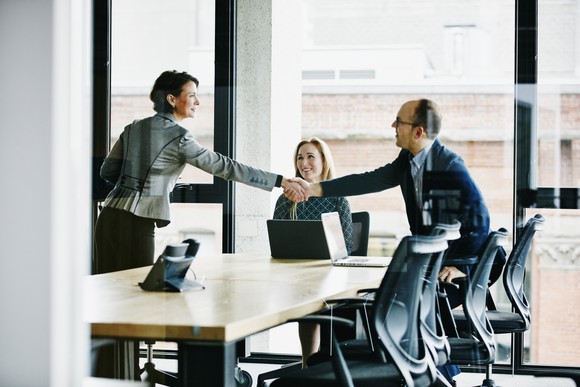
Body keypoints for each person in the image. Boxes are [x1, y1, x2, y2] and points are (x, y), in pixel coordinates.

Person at [286, 99, 501, 383]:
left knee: (394, 306)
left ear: (418, 132)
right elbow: (368, 181)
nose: (393, 126)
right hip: (432, 266)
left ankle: (421, 375)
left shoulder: (450, 165)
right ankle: (400, 372)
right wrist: (315, 189)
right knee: (384, 302)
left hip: (460, 270)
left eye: (399, 121)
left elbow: (481, 222)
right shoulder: (408, 162)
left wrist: (459, 267)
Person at [95, 70, 304, 274]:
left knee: (106, 288)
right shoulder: (179, 137)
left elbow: (107, 171)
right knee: (134, 292)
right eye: (192, 95)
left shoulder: (133, 127)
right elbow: (226, 167)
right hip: (138, 222)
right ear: (172, 99)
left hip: (108, 216)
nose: (198, 102)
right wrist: (279, 181)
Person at [273, 137, 354, 366]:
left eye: (310, 157)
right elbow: (278, 242)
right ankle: (307, 365)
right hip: (295, 277)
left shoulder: (337, 198)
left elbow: (345, 246)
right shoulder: (286, 199)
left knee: (314, 300)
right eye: (300, 157)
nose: (304, 163)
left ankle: (316, 366)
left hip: (330, 276)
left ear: (323, 161)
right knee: (305, 297)